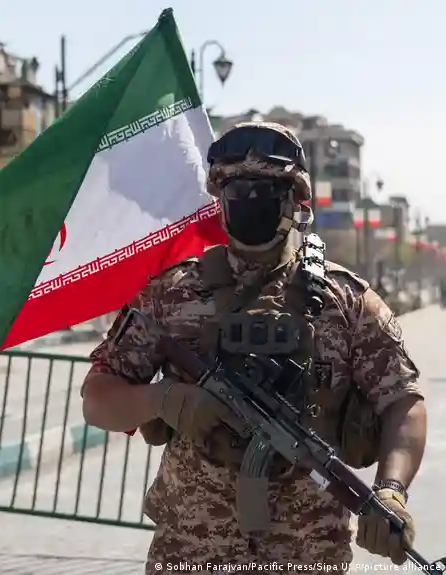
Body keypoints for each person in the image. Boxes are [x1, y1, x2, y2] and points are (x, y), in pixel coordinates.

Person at [81, 122, 427, 574]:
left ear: (297, 200)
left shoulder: (345, 301)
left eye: (267, 190)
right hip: (190, 551)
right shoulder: (170, 295)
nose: (250, 200)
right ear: (220, 200)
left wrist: (391, 491)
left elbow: (403, 403)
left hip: (308, 555)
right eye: (237, 190)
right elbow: (97, 400)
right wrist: (162, 399)